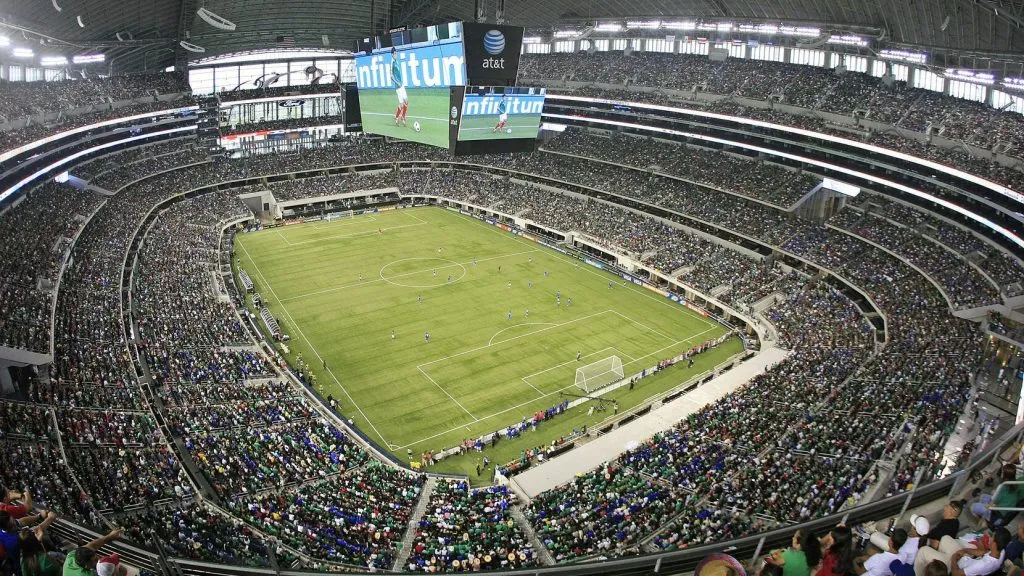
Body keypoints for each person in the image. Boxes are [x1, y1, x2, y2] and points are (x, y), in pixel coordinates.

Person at [391, 46, 408, 127]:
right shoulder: (392, 63)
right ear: (392, 54)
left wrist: (401, 82)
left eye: (396, 53)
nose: (395, 54)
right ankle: (397, 117)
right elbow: (391, 76)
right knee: (401, 105)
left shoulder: (396, 60)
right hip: (398, 87)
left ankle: (403, 117)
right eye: (394, 53)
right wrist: (397, 82)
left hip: (402, 85)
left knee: (406, 101)